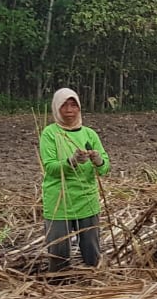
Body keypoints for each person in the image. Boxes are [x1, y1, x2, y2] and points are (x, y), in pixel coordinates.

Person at [39, 88, 110, 271]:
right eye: (64, 105)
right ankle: (59, 285)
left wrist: (98, 160)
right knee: (58, 253)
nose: (69, 110)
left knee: (92, 253)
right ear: (56, 108)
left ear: (79, 108)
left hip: (86, 200)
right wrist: (71, 161)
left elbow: (104, 168)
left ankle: (93, 283)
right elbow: (50, 167)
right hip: (59, 201)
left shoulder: (89, 134)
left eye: (73, 105)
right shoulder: (50, 134)